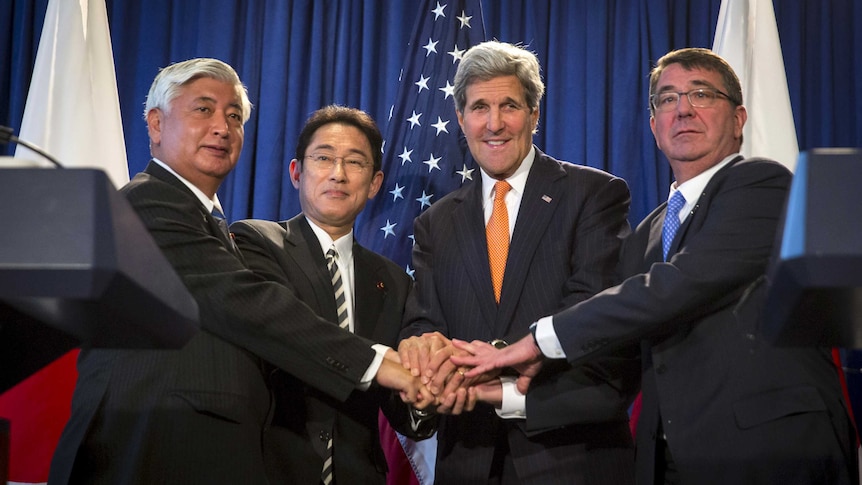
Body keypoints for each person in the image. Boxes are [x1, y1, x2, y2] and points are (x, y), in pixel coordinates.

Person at [452, 47, 859, 484]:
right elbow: (618, 353)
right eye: (667, 99)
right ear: (654, 125)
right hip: (667, 461)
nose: (683, 110)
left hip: (772, 453)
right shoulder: (648, 231)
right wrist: (509, 394)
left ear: (738, 119)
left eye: (702, 95)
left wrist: (538, 340)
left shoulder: (762, 183)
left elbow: (677, 284)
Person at [48, 58, 432, 485]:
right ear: (156, 124)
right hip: (145, 449)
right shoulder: (151, 203)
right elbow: (246, 303)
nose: (222, 127)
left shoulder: (207, 221)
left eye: (234, 116)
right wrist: (376, 362)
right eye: (203, 109)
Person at [398, 41, 640, 484]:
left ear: (534, 113)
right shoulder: (434, 222)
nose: (494, 123)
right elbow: (423, 321)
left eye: (509, 105)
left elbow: (592, 311)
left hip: (571, 456)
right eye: (479, 107)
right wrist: (424, 348)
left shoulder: (593, 195)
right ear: (460, 118)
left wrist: (492, 365)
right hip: (467, 459)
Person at [230, 105, 433, 484]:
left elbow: (400, 405)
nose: (338, 174)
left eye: (355, 163)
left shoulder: (393, 282)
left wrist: (426, 393)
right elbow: (286, 334)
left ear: (374, 183)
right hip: (272, 469)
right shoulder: (255, 242)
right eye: (324, 158)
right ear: (297, 172)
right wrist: (379, 363)